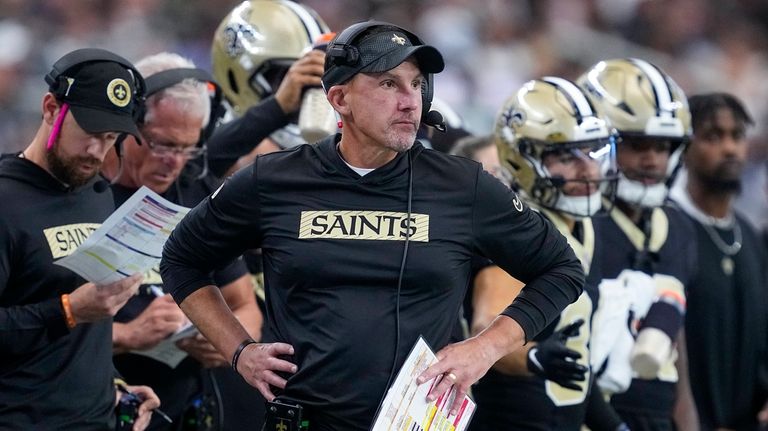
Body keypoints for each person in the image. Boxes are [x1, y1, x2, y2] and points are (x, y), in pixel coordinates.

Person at [160, 21, 585, 431]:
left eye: (417, 84)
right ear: (340, 99)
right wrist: (240, 352)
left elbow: (562, 269)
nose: (410, 100)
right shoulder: (272, 180)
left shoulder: (463, 185)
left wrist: (484, 349)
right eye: (389, 84)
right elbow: (181, 259)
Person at [101, 52, 263, 430]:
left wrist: (227, 342)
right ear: (127, 126)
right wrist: (128, 335)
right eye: (162, 145)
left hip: (184, 409)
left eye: (187, 148)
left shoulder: (193, 196)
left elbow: (246, 307)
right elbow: (40, 322)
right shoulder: (85, 196)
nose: (174, 162)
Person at [0, 48, 159, 430]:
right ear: (51, 108)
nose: (95, 151)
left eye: (109, 137)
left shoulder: (97, 192)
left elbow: (84, 336)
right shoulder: (6, 200)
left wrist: (114, 386)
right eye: (88, 132)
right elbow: (72, 311)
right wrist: (68, 309)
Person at [469, 77, 616, 430]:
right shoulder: (520, 227)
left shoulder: (584, 226)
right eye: (566, 156)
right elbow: (484, 325)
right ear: (521, 159)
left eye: (594, 151)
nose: (588, 169)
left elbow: (575, 357)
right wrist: (532, 355)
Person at [576, 58, 698, 431]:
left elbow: (676, 351)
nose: (652, 159)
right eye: (637, 144)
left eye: (663, 146)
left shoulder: (677, 226)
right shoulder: (578, 225)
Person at [669, 93, 768, 430]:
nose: (729, 148)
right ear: (684, 147)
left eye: (737, 136)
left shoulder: (749, 236)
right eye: (713, 136)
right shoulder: (667, 228)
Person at [207, 0, 331, 177]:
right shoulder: (203, 129)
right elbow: (206, 157)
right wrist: (277, 107)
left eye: (317, 75)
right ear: (237, 76)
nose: (305, 90)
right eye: (287, 77)